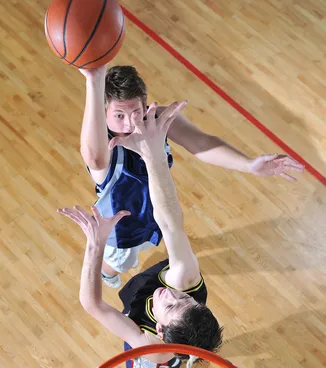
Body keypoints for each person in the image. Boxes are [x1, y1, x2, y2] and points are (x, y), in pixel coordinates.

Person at [59, 101, 223, 368]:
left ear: (160, 330)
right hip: (151, 308)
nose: (170, 293)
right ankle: (188, 354)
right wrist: (153, 157)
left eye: (171, 304)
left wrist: (96, 244)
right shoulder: (184, 279)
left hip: (155, 346)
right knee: (146, 274)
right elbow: (171, 222)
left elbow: (92, 305)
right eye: (185, 299)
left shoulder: (151, 344)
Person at [79, 65, 305, 288]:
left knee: (158, 240)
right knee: (119, 262)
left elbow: (201, 142)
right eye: (119, 115)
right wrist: (93, 81)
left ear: (145, 104)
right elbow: (94, 158)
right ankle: (105, 273)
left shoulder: (157, 120)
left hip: (159, 212)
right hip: (123, 229)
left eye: (136, 112)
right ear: (103, 112)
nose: (130, 123)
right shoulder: (105, 146)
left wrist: (248, 164)